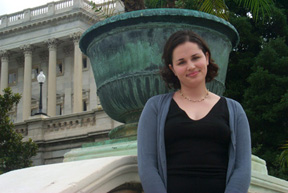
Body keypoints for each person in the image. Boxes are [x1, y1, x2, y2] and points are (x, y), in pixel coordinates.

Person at [137, 30, 251, 193]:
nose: (191, 66)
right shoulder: (155, 107)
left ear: (206, 57)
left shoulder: (234, 109)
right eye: (181, 62)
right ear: (173, 68)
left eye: (196, 58)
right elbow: (147, 166)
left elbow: (243, 168)